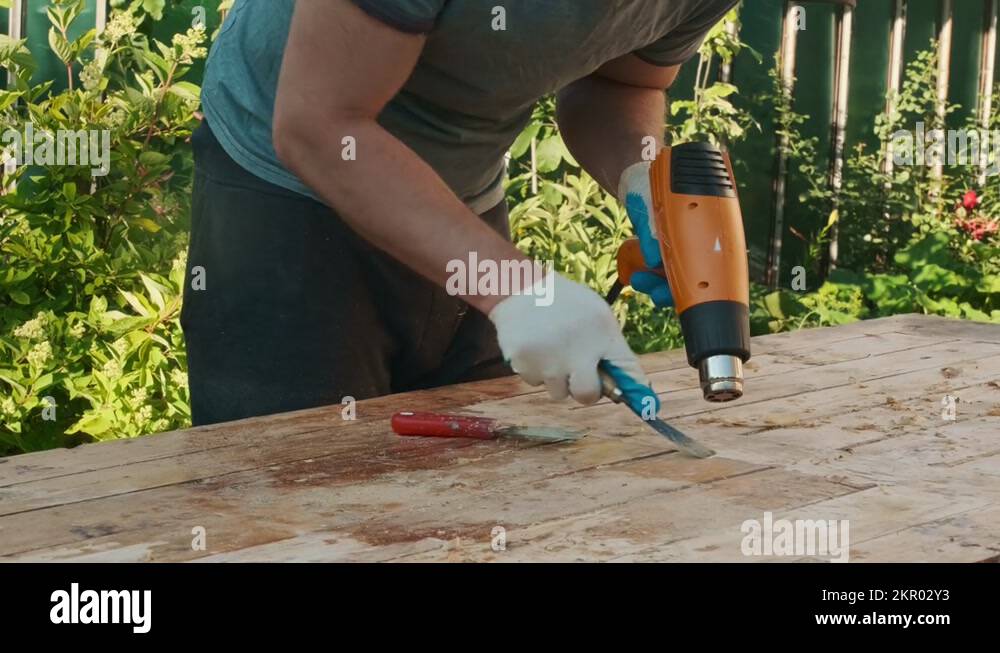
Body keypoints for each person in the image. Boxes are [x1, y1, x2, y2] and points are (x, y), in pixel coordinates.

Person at [181, 0, 739, 425]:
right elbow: (319, 128)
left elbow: (620, 84)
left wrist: (641, 179)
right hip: (289, 195)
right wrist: (513, 288)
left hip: (461, 201)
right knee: (295, 501)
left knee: (470, 496)